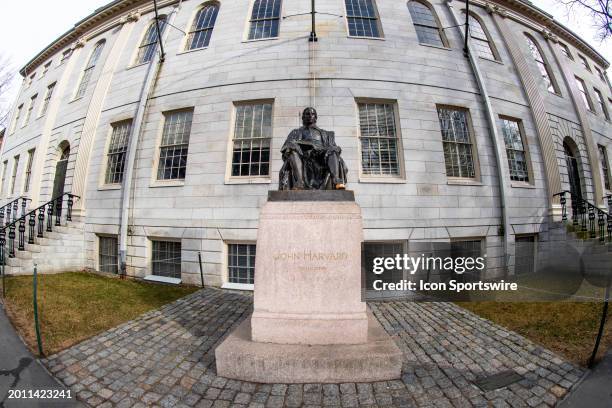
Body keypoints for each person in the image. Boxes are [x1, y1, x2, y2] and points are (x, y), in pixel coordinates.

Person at [279, 107, 348, 190]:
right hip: (303, 156)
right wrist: (309, 145)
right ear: (303, 117)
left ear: (316, 117)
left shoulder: (326, 134)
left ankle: (337, 180)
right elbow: (287, 145)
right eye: (307, 114)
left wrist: (332, 148)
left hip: (322, 156)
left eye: (312, 114)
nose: (310, 116)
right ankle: (300, 182)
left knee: (332, 150)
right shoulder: (296, 132)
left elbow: (334, 147)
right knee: (292, 149)